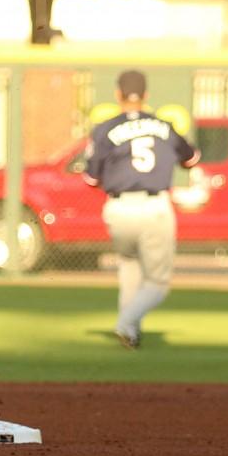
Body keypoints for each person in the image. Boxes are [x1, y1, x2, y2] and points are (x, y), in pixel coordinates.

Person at [83, 70, 200, 350]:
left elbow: (91, 178)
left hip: (119, 208)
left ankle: (131, 333)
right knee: (158, 283)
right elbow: (192, 158)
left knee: (129, 265)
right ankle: (126, 323)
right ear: (146, 96)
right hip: (153, 206)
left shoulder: (104, 129)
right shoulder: (164, 126)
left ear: (117, 95)